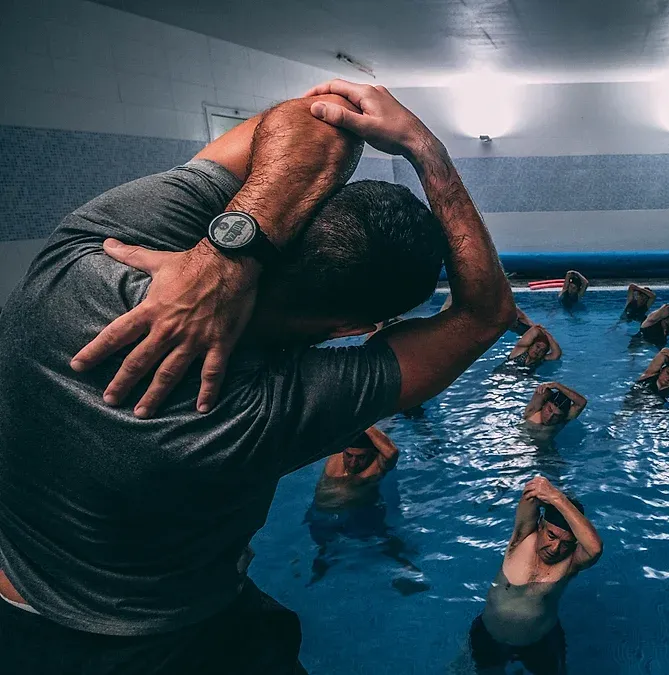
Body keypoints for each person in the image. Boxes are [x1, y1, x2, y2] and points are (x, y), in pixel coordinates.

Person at [0, 79, 515, 673]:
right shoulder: (249, 414)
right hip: (150, 639)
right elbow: (485, 315)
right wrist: (429, 152)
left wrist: (228, 252)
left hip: (23, 592)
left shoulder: (92, 255)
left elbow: (316, 117)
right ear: (353, 327)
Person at [469, 477, 602, 675]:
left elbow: (595, 548)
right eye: (551, 536)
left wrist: (558, 498)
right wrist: (549, 492)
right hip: (490, 634)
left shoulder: (571, 562)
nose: (555, 548)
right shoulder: (521, 539)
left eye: (566, 543)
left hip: (540, 641)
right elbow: (532, 491)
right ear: (540, 525)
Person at [306, 427, 428, 595]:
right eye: (349, 455)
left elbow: (392, 452)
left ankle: (405, 566)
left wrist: (364, 423)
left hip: (360, 513)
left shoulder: (376, 466)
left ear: (371, 453)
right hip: (321, 515)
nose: (353, 462)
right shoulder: (335, 456)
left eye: (360, 457)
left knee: (381, 539)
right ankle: (323, 564)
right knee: (323, 545)